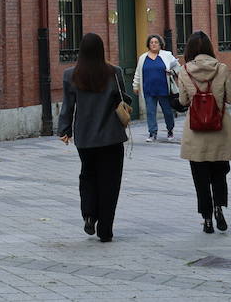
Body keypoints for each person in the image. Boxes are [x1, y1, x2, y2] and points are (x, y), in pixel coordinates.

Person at [57, 32, 128, 243]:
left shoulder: (71, 74)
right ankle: (105, 229)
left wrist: (65, 130)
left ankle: (89, 214)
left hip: (85, 137)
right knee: (110, 182)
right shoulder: (114, 72)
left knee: (88, 175)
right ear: (101, 50)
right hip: (112, 137)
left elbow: (68, 106)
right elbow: (125, 99)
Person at [175, 30, 231, 234]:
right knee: (220, 173)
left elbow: (183, 101)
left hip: (195, 131)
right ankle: (219, 208)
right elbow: (230, 98)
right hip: (219, 128)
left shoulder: (185, 70)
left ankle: (206, 219)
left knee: (200, 176)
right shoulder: (222, 68)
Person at [132, 34, 179, 142]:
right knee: (150, 112)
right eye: (151, 42)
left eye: (156, 42)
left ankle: (170, 130)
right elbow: (138, 73)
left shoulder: (166, 55)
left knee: (167, 112)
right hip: (148, 89)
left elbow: (177, 67)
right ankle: (152, 133)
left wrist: (171, 72)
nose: (153, 44)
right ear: (148, 44)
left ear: (160, 44)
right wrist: (135, 85)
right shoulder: (143, 58)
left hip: (164, 90)